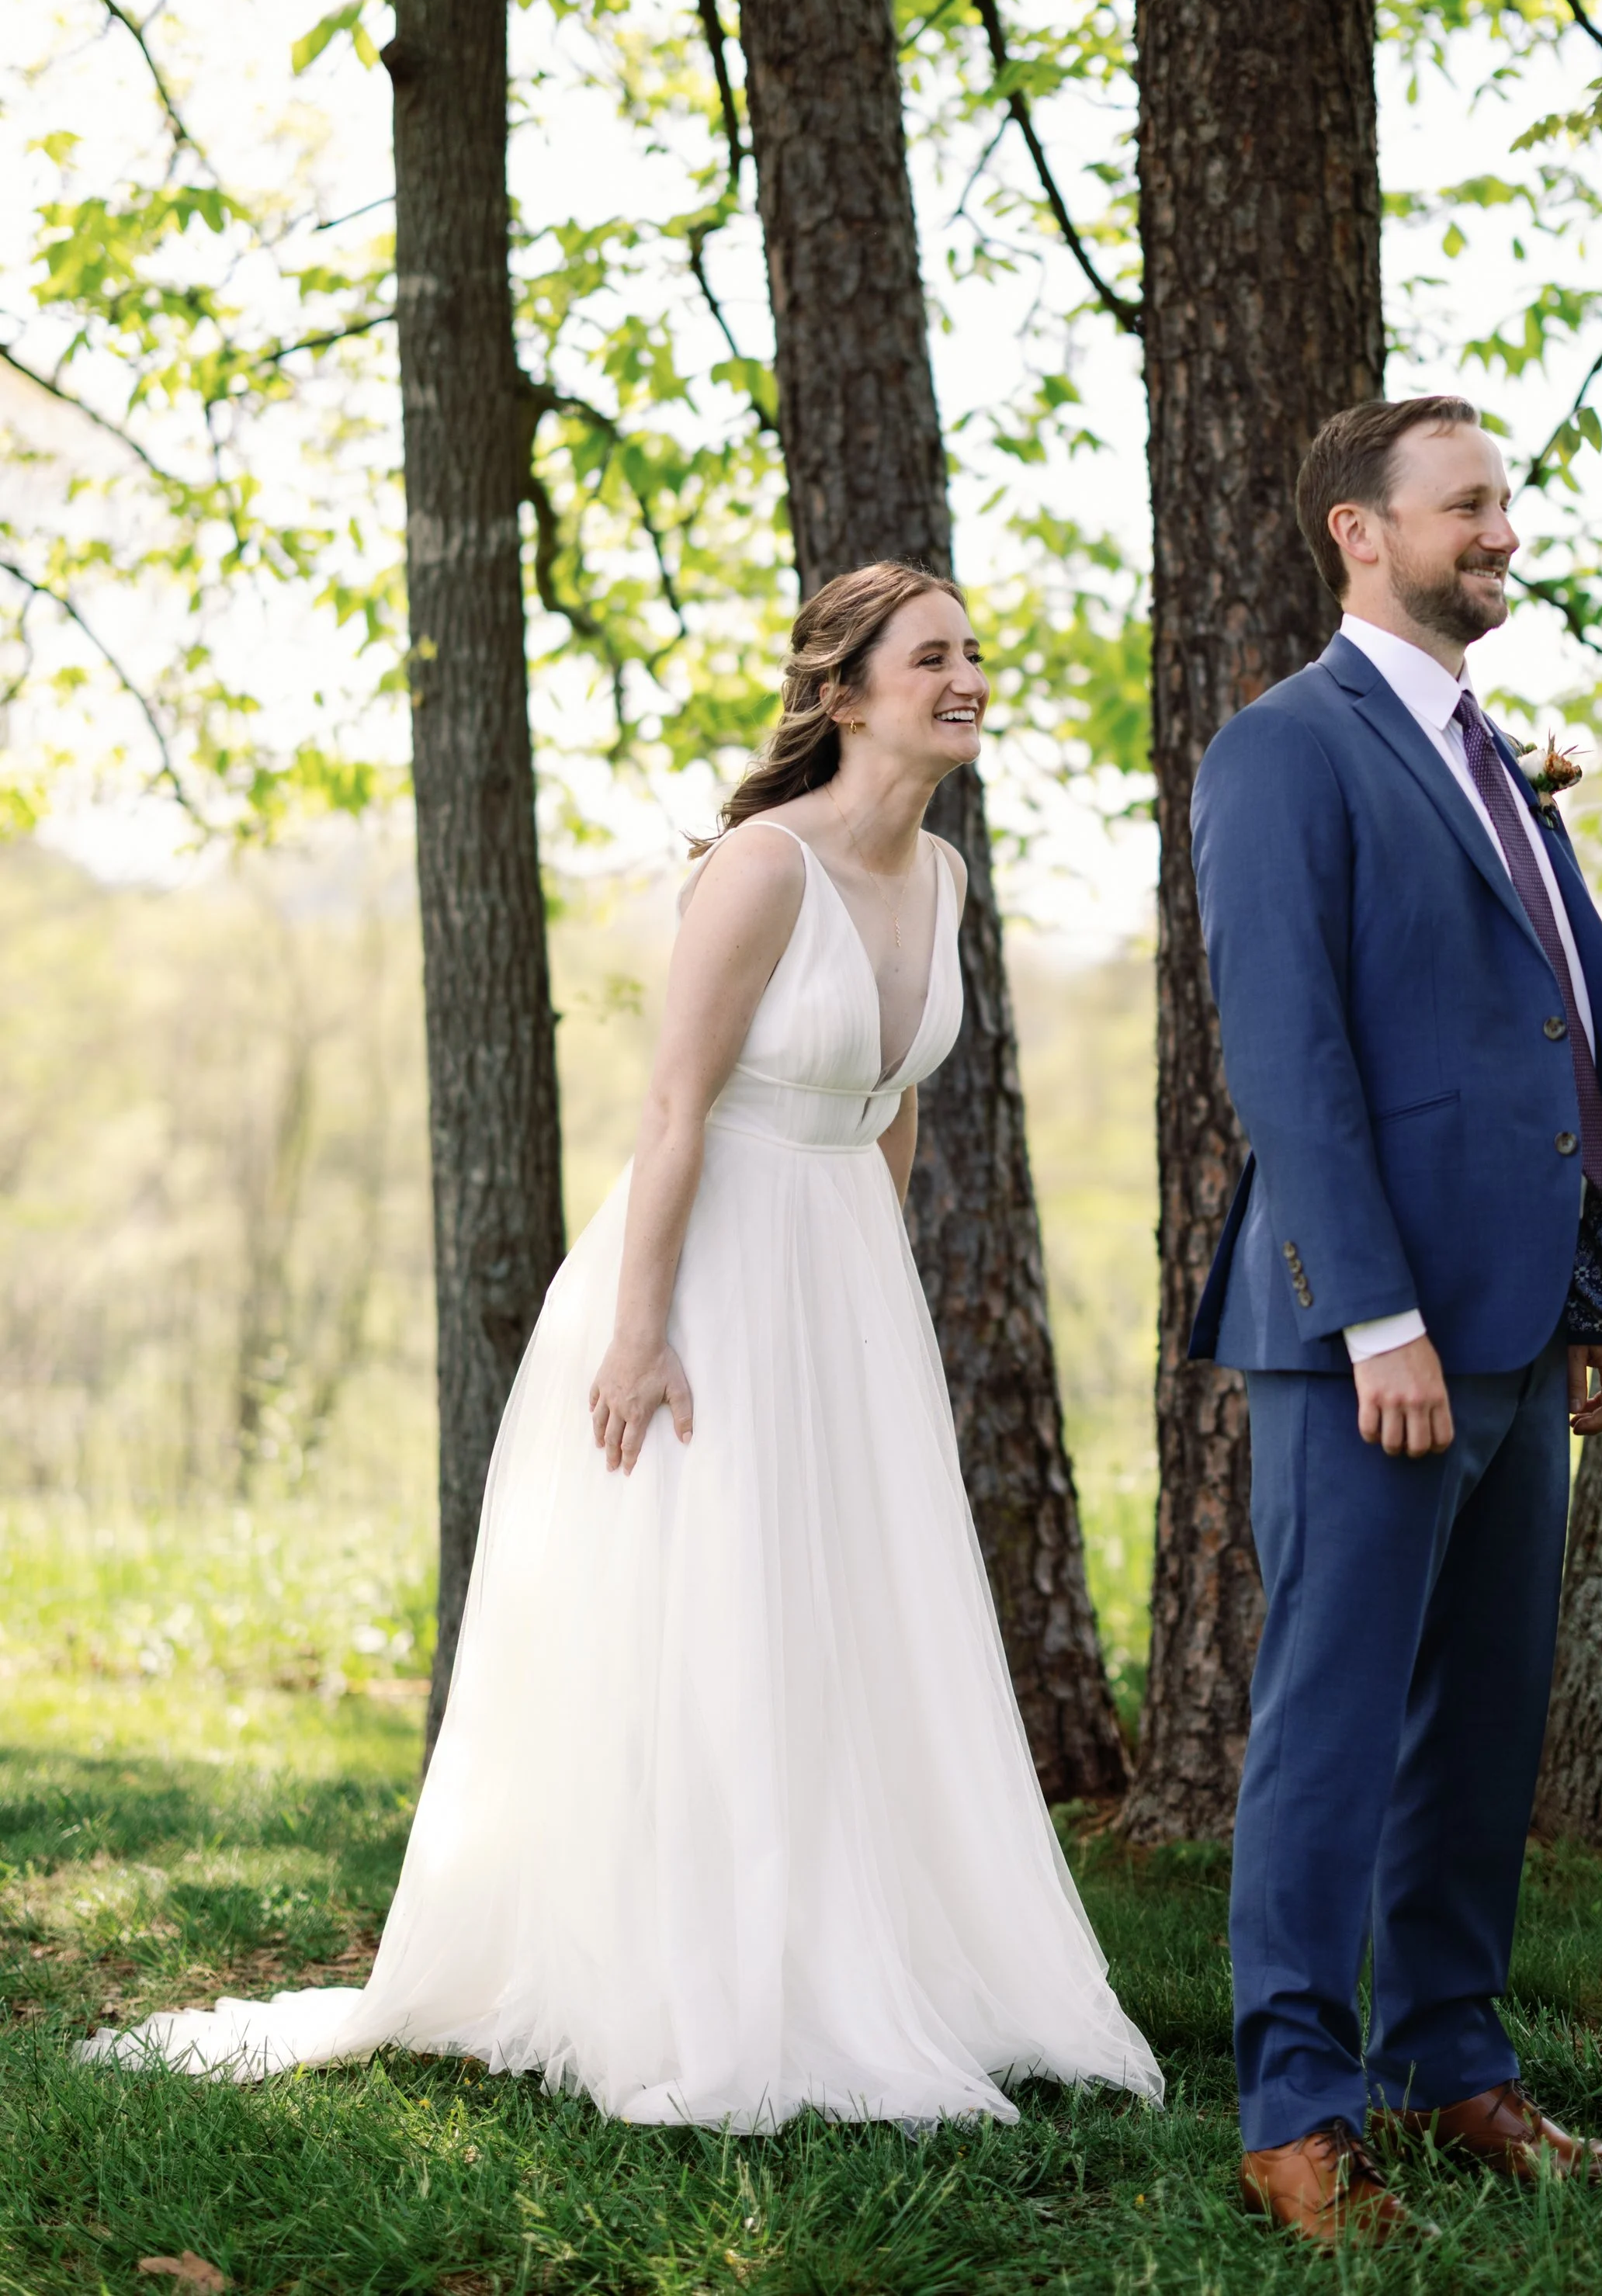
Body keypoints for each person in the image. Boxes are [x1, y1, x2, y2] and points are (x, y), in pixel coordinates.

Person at [81, 561, 1160, 2133]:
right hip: (708, 1261)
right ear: (844, 691)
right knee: (710, 1602)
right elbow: (672, 1106)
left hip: (846, 1279)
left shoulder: (938, 882)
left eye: (972, 654)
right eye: (930, 658)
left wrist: (885, 1284)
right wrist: (641, 1327)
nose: (965, 677)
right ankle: (691, 1978)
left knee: (850, 1607)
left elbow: (896, 1095)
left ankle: (872, 1958)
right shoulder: (757, 870)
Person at [1190, 397, 1602, 2245]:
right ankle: (1294, 2113)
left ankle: (1450, 2066)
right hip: (1368, 1337)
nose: (1499, 526)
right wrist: (1374, 1316)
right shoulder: (1280, 754)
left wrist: (1596, 1290)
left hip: (1518, 1322)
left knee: (1481, 1718)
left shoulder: (1483, 752)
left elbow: (1556, 1031)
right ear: (1356, 531)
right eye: (1463, 503)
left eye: (1503, 500)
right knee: (1329, 1719)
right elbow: (1289, 1059)